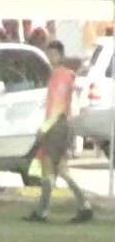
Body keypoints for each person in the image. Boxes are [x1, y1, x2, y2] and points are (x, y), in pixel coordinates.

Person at [26, 41, 94, 224]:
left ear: (60, 55)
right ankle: (83, 205)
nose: (50, 58)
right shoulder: (65, 75)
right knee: (61, 168)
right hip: (64, 124)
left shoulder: (59, 76)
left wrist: (45, 128)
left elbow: (58, 105)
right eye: (49, 54)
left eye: (53, 54)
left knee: (49, 166)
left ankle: (44, 211)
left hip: (57, 125)